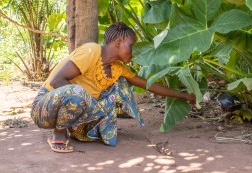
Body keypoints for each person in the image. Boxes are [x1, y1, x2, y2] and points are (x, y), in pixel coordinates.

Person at [30, 22, 196, 153]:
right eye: (132, 45)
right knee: (79, 92)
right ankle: (59, 132)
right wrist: (88, 107)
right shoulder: (91, 50)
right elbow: (57, 81)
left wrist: (184, 96)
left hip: (76, 110)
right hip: (45, 108)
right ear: (118, 42)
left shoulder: (117, 68)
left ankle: (83, 129)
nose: (135, 50)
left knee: (118, 85)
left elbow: (148, 85)